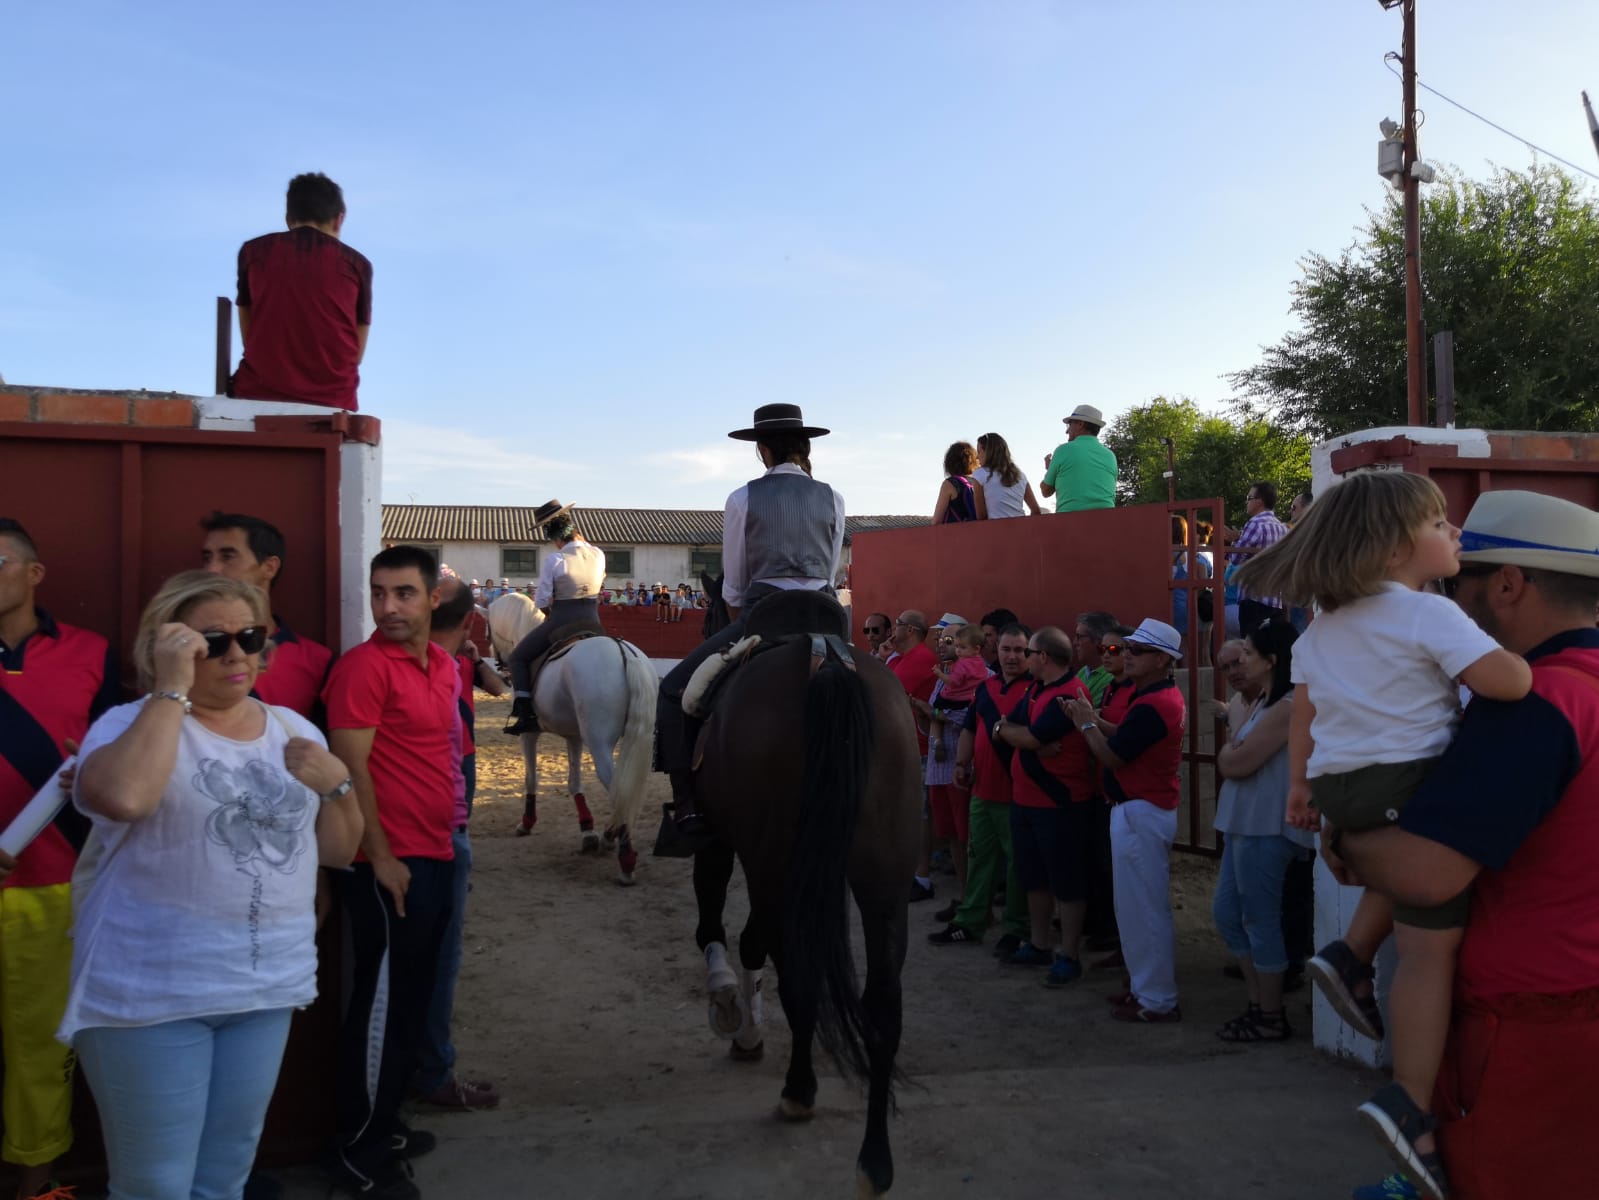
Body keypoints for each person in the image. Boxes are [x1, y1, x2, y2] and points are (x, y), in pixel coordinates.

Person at [1236, 474, 1533, 1200]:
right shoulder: (1427, 615)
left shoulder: (1326, 622)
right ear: (1402, 545)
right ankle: (1408, 1098)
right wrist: (1530, 661)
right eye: (1441, 524)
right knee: (1430, 948)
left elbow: (1305, 711)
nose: (1454, 535)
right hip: (1403, 782)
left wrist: (1302, 789)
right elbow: (1510, 685)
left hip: (1345, 786)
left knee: (1400, 883)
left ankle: (1348, 952)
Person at [1329, 489, 1599, 1200]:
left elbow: (1424, 875)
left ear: (1507, 584)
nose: (1451, 598)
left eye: (1459, 584)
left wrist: (1349, 834)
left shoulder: (1538, 703)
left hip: (1532, 1022)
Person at [64, 571, 362, 1200]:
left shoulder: (291, 729)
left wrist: (337, 785)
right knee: (155, 1187)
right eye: (210, 642)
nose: (236, 655)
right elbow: (124, 796)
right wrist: (170, 690)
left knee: (224, 1176)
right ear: (168, 646)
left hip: (262, 988)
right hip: (148, 994)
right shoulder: (126, 725)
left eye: (250, 637)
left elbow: (337, 850)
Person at [324, 546, 462, 1198]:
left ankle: (388, 1123)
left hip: (433, 853)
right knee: (379, 1007)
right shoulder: (361, 669)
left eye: (403, 594)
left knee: (409, 999)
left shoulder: (441, 665)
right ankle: (359, 1150)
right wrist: (379, 856)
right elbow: (348, 773)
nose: (387, 608)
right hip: (386, 864)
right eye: (379, 594)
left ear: (434, 598)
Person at [653, 404, 845, 852]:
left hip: (764, 613)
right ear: (805, 447)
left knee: (672, 691)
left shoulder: (742, 498)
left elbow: (735, 587)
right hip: (826, 616)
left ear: (761, 450)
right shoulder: (833, 497)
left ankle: (686, 806)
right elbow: (831, 570)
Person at [0, 520, 119, 1200]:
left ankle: (35, 1186)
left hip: (52, 886)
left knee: (41, 1054)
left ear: (33, 573)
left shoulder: (92, 654)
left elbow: (111, 765)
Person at [1066, 618, 1187, 1022]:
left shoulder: (1155, 703)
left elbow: (1115, 755)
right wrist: (1095, 721)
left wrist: (1086, 722)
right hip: (1140, 809)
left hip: (1141, 811)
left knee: (1144, 911)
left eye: (1136, 650)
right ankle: (1145, 989)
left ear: (1161, 660)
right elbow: (1125, 735)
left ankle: (1156, 998)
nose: (1127, 656)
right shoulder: (1154, 697)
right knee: (1135, 909)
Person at [412, 578, 503, 1114]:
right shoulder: (447, 661)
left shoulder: (456, 659)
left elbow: (492, 686)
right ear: (469, 620)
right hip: (450, 765)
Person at [1211, 619, 1314, 1043]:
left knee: (1259, 918)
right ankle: (1259, 1004)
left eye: (1250, 654)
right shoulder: (1260, 703)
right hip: (1245, 823)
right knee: (1229, 914)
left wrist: (1229, 751)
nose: (1242, 661)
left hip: (1265, 825)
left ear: (1271, 661)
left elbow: (1235, 762)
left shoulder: (1287, 706)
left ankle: (1269, 1012)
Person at [993, 626, 1097, 986]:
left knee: (1066, 882)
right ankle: (1039, 945)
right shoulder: (1038, 689)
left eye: (1029, 652)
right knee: (1033, 878)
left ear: (1044, 658)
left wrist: (1011, 733)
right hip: (1027, 801)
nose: (1022, 658)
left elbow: (1031, 735)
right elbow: (1015, 728)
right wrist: (1008, 731)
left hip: (1059, 804)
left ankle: (1068, 954)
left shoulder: (1068, 694)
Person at [230, 172, 373, 412]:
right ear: (339, 220)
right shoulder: (357, 265)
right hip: (334, 402)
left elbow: (248, 330)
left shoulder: (252, 253)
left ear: (288, 218)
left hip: (256, 394)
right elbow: (356, 354)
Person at [932, 622, 1033, 954]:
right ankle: (971, 921)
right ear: (995, 651)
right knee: (979, 860)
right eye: (1006, 649)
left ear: (1030, 653)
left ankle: (1017, 927)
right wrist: (961, 764)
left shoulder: (1035, 690)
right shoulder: (986, 689)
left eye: (1020, 650)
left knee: (1019, 866)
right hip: (982, 791)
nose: (1012, 657)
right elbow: (971, 730)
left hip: (1017, 795)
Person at [200, 511, 334, 723]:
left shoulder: (317, 660)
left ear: (269, 567)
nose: (211, 569)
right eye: (207, 558)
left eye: (227, 556)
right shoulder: (187, 647)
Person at [504, 502, 605, 736]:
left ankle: (526, 712)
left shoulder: (555, 559)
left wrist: (552, 616)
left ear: (554, 536)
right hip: (593, 620)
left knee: (518, 658)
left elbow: (541, 601)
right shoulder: (598, 553)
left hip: (561, 620)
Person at [913, 621, 980, 920]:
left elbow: (967, 717)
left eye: (951, 639)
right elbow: (934, 717)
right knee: (952, 834)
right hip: (941, 767)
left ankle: (975, 902)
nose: (943, 643)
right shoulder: (945, 678)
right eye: (942, 637)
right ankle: (966, 896)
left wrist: (934, 714)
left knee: (968, 836)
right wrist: (931, 720)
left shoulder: (981, 675)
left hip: (962, 767)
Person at [888, 611, 938, 900]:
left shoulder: (919, 659)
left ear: (910, 629)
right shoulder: (906, 657)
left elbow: (891, 690)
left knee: (918, 814)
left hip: (917, 747)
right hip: (908, 745)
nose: (893, 631)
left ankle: (921, 877)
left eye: (897, 625)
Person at [1227, 482, 1292, 634]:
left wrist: (1235, 540)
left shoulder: (1255, 524)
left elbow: (1235, 558)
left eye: (1249, 497)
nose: (1247, 502)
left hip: (1253, 598)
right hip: (1275, 599)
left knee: (1251, 648)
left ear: (1259, 502)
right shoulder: (1281, 527)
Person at [1039, 404, 1116, 513]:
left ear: (1080, 424)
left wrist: (1050, 469)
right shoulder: (1110, 456)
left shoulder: (1063, 450)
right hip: (1108, 521)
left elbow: (1046, 492)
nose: (1067, 431)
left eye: (1069, 425)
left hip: (1070, 522)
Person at [928, 622, 986, 763]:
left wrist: (937, 714)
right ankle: (936, 741)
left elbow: (972, 719)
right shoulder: (977, 667)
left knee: (935, 710)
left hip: (960, 768)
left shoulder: (986, 677)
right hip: (938, 772)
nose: (942, 645)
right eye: (940, 640)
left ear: (975, 647)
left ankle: (937, 741)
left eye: (949, 641)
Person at [973, 433, 1041, 518]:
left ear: (988, 452)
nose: (977, 457)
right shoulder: (1020, 476)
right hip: (1021, 528)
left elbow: (981, 516)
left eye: (979, 451)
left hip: (996, 529)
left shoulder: (980, 474)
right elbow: (1036, 511)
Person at [931, 442, 987, 524]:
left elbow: (936, 521)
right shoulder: (979, 481)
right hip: (978, 532)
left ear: (949, 462)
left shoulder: (950, 484)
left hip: (956, 534)